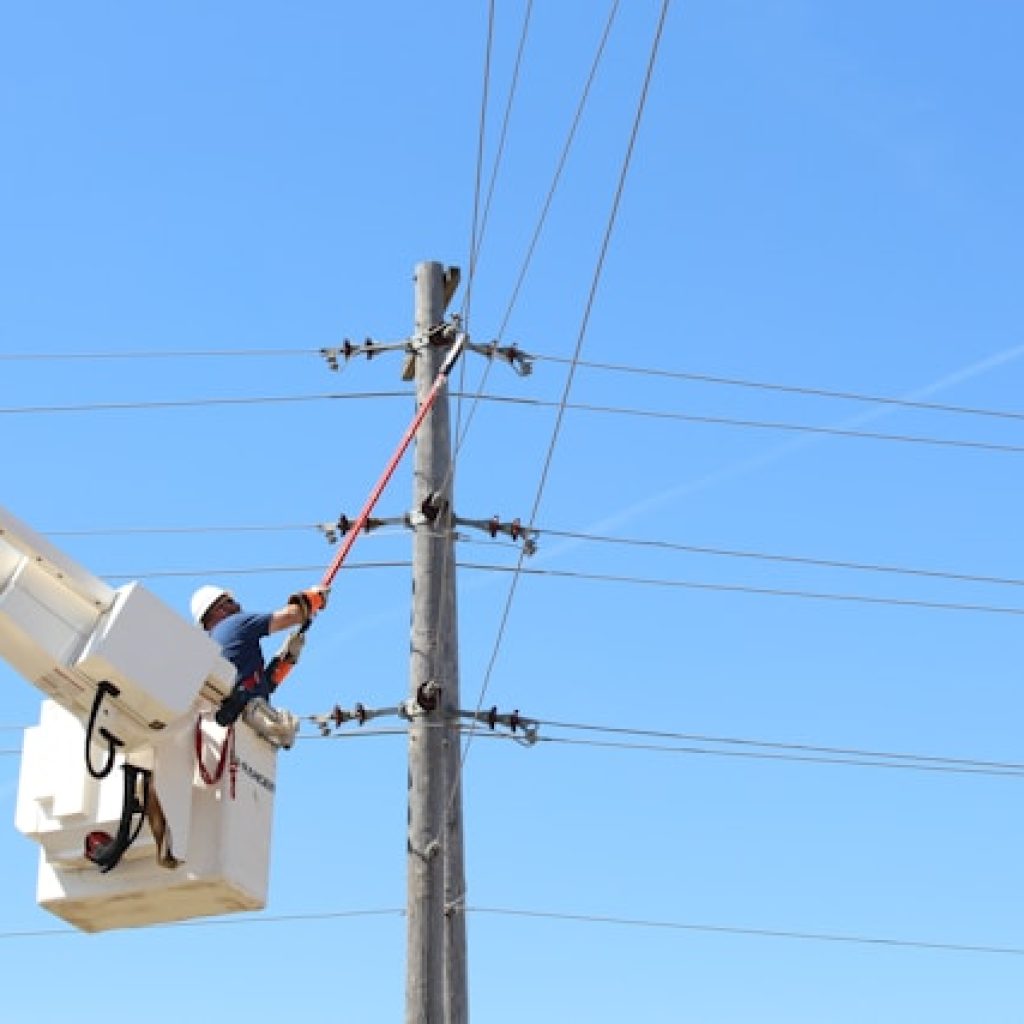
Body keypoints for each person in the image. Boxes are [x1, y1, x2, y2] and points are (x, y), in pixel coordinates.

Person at [189, 584, 328, 748]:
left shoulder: (213, 647)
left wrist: (285, 659)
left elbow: (261, 684)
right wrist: (316, 597)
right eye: (231, 601)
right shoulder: (235, 623)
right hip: (246, 722)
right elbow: (292, 615)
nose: (239, 605)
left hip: (234, 724)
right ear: (219, 609)